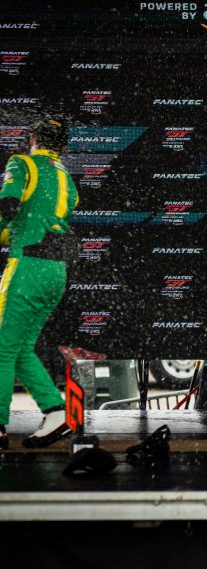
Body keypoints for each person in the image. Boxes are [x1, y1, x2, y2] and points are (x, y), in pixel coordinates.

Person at [0, 117, 79, 450]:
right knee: (19, 349)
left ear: (32, 138)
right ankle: (56, 411)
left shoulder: (22, 163)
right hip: (55, 273)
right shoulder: (66, 178)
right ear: (62, 146)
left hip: (27, 268)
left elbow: (8, 204)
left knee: (2, 348)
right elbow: (48, 216)